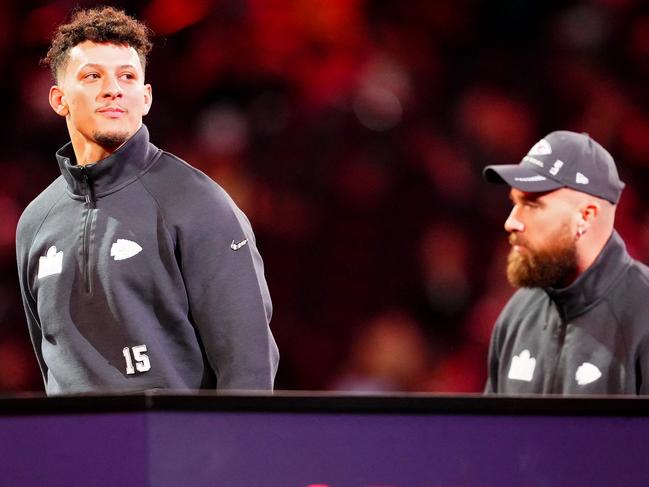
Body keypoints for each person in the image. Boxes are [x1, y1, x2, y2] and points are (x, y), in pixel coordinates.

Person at [15, 7, 279, 394]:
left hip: (174, 450)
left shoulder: (198, 203)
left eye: (127, 76)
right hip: (72, 449)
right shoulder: (36, 221)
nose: (113, 89)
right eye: (92, 76)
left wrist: (227, 454)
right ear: (59, 99)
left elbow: (248, 368)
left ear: (146, 97)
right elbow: (48, 361)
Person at [482, 130, 649, 394]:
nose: (511, 221)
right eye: (514, 203)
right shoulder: (517, 314)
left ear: (585, 216)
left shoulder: (643, 315)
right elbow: (490, 435)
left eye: (532, 205)